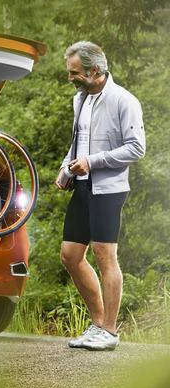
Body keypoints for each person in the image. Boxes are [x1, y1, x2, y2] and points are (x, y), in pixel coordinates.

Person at [55, 41, 145, 351]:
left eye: (75, 73)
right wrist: (66, 168)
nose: (70, 78)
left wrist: (92, 162)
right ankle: (97, 323)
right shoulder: (80, 99)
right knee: (70, 255)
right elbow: (78, 142)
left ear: (94, 70)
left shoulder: (124, 100)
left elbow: (136, 148)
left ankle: (109, 330)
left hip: (109, 189)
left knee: (105, 256)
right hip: (81, 185)